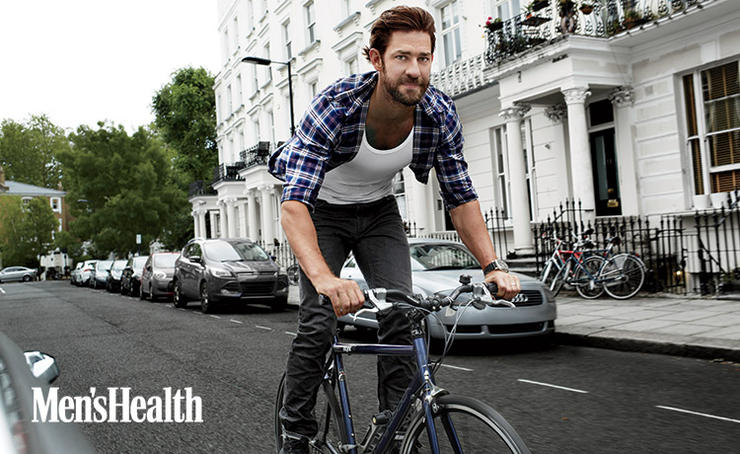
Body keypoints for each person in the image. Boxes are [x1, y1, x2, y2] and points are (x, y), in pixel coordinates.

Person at [269, 6, 521, 453]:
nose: (415, 70)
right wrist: (327, 280)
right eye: (403, 57)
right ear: (376, 60)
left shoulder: (438, 112)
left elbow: (460, 196)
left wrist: (492, 264)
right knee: (318, 323)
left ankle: (395, 424)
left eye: (423, 58)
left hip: (379, 211)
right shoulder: (337, 106)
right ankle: (295, 429)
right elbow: (294, 206)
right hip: (319, 211)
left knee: (402, 315)